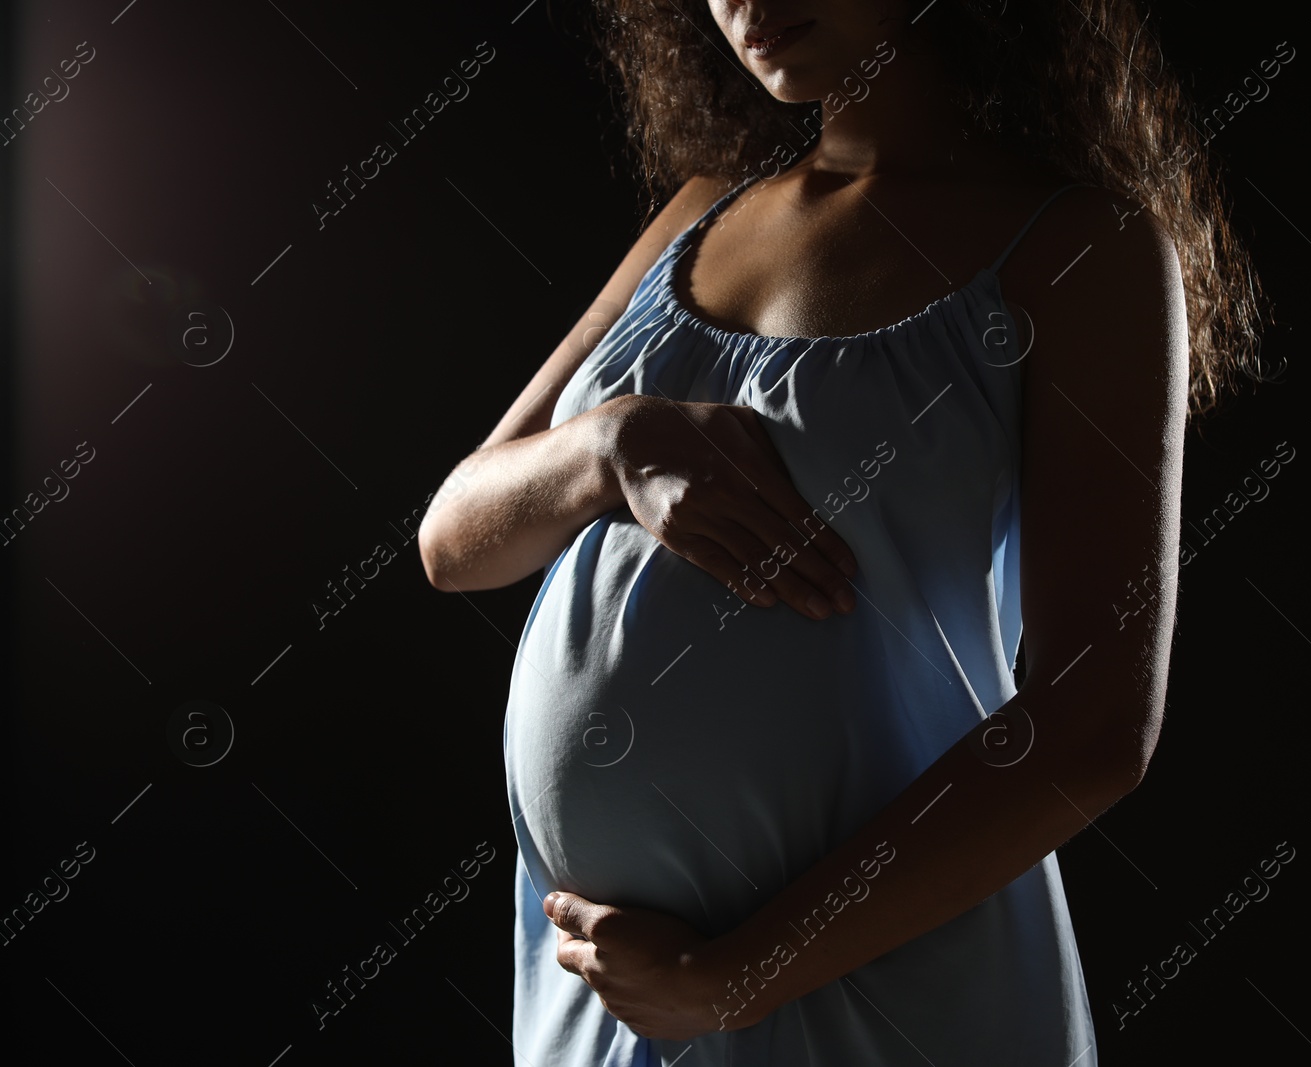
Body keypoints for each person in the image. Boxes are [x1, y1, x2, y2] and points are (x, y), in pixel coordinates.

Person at [418, 1, 1263, 1063]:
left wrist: (734, 976)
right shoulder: (700, 210)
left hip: (876, 994)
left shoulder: (1077, 246)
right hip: (613, 991)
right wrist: (612, 444)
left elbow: (1096, 721)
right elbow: (454, 540)